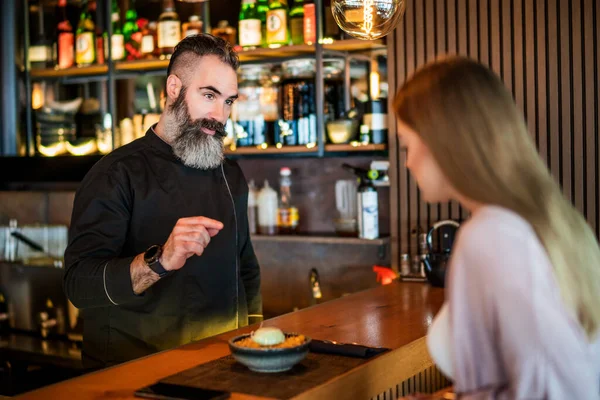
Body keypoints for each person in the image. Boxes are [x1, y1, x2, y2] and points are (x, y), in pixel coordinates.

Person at [393, 57, 600, 398]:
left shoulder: (491, 235)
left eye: (407, 144)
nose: (407, 161)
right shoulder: (547, 220)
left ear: (442, 141)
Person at [64, 34, 262, 369]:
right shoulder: (116, 174)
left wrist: (256, 341)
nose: (220, 114)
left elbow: (246, 270)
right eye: (209, 95)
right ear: (174, 88)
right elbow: (79, 285)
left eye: (228, 101)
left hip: (221, 369)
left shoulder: (231, 175)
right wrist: (160, 260)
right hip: (134, 376)